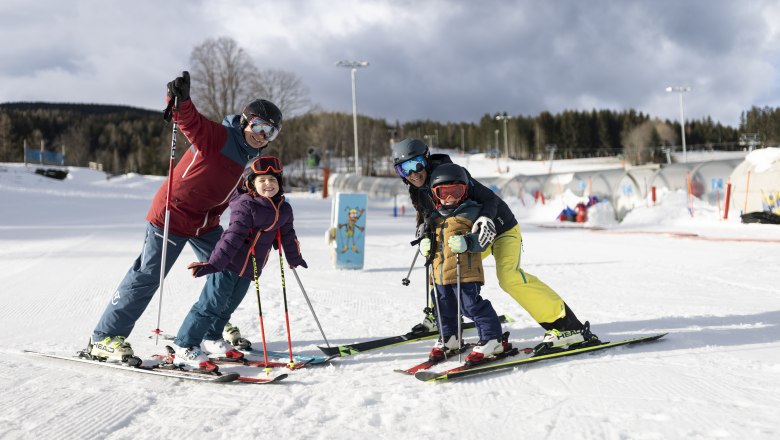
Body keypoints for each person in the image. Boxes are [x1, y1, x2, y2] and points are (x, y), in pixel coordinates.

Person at [87, 70, 283, 364]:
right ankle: (103, 338)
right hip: (172, 214)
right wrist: (179, 99)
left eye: (270, 132)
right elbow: (189, 120)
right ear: (245, 121)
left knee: (234, 265)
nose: (261, 136)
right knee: (148, 276)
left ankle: (209, 332)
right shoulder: (218, 136)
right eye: (258, 127)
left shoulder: (247, 157)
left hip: (205, 223)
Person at [392, 138, 597, 349]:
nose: (413, 173)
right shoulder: (416, 187)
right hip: (469, 237)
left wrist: (485, 218)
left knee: (509, 277)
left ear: (425, 158)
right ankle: (444, 319)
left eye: (415, 164)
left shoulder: (450, 173)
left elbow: (490, 199)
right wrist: (425, 236)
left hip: (501, 229)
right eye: (403, 169)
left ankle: (567, 326)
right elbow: (427, 215)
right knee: (440, 264)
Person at [175, 156, 306, 369]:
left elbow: (288, 234)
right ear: (250, 184)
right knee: (209, 306)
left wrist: (294, 257)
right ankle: (185, 346)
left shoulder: (283, 208)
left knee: (228, 307)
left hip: (251, 269)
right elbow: (233, 235)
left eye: (272, 180)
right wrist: (214, 264)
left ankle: (211, 338)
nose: (268, 184)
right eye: (261, 180)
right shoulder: (246, 205)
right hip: (227, 265)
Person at [419, 164, 507, 364]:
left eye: (455, 192)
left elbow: (485, 238)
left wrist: (468, 242)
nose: (450, 198)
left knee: (471, 307)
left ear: (465, 191)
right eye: (443, 193)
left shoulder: (473, 213)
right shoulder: (432, 218)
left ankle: (492, 338)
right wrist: (425, 245)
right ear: (435, 194)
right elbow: (427, 239)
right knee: (442, 308)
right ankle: (450, 338)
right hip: (439, 275)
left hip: (465, 273)